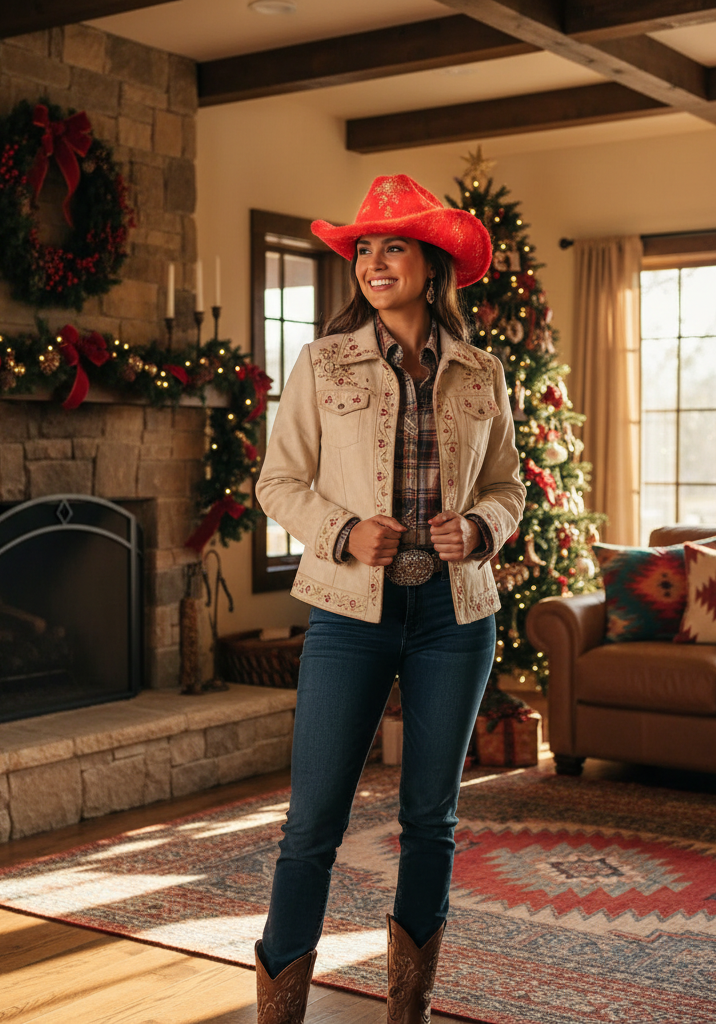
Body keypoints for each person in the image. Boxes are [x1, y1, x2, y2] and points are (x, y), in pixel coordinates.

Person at [254, 174, 526, 1024]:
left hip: (456, 618)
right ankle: (280, 1012)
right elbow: (278, 481)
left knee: (430, 820)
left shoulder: (483, 372)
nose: (374, 262)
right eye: (364, 249)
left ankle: (406, 1010)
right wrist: (341, 531)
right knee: (312, 824)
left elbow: (512, 487)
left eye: (392, 246)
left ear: (433, 263)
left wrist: (480, 528)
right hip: (348, 614)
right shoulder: (321, 361)